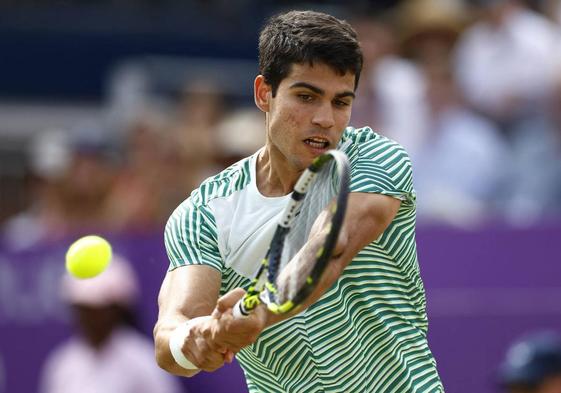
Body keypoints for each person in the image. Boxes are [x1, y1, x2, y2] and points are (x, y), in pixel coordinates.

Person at [154, 10, 443, 392]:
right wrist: (197, 341)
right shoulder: (203, 213)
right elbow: (173, 330)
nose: (325, 119)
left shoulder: (375, 159)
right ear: (264, 93)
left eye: (341, 102)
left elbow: (330, 247)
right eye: (306, 97)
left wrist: (258, 311)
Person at [40, 256, 182, 393]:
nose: (90, 318)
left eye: (98, 310)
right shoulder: (62, 363)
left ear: (118, 310)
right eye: (84, 310)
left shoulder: (143, 361)